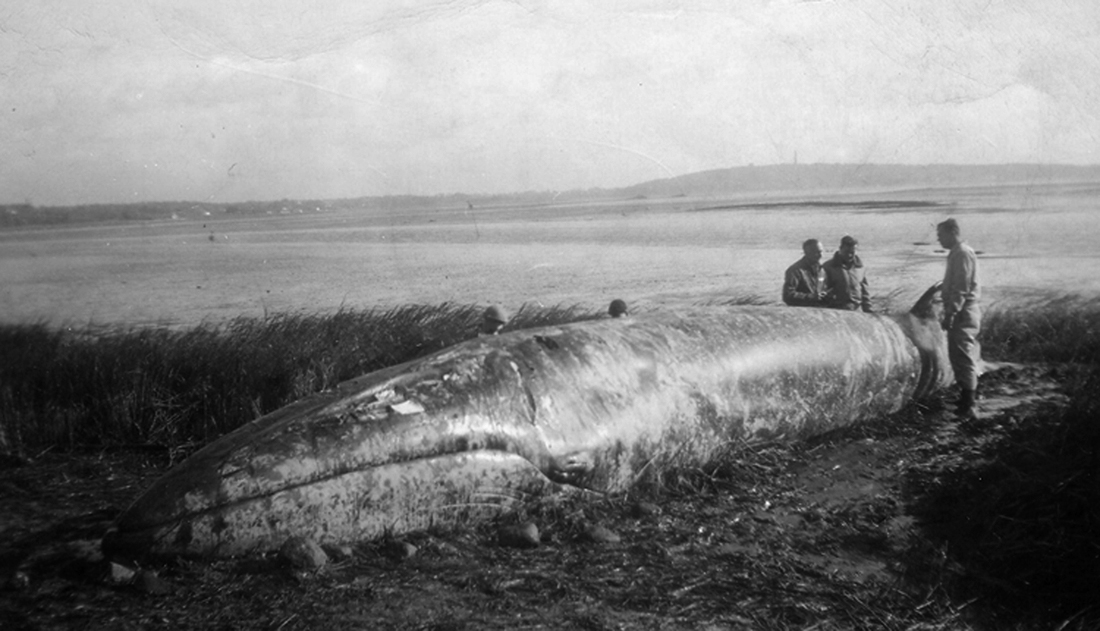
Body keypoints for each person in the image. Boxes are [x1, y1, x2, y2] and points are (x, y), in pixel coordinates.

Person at [937, 218, 981, 419]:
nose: (938, 240)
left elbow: (961, 288)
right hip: (961, 310)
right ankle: (966, 398)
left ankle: (969, 403)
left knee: (963, 355)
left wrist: (951, 312)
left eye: (940, 235)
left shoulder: (962, 253)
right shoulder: (957, 253)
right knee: (958, 355)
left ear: (951, 232)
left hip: (963, 312)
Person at [823, 235, 872, 312]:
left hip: (857, 311)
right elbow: (822, 290)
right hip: (836, 310)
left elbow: (865, 292)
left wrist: (868, 310)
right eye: (846, 252)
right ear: (840, 249)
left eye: (852, 252)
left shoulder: (860, 267)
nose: (849, 255)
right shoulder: (828, 267)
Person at [782, 239, 825, 307]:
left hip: (819, 312)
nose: (820, 255)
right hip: (802, 313)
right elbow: (787, 296)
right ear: (807, 252)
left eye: (821, 252)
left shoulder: (822, 270)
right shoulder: (795, 271)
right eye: (816, 252)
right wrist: (811, 297)